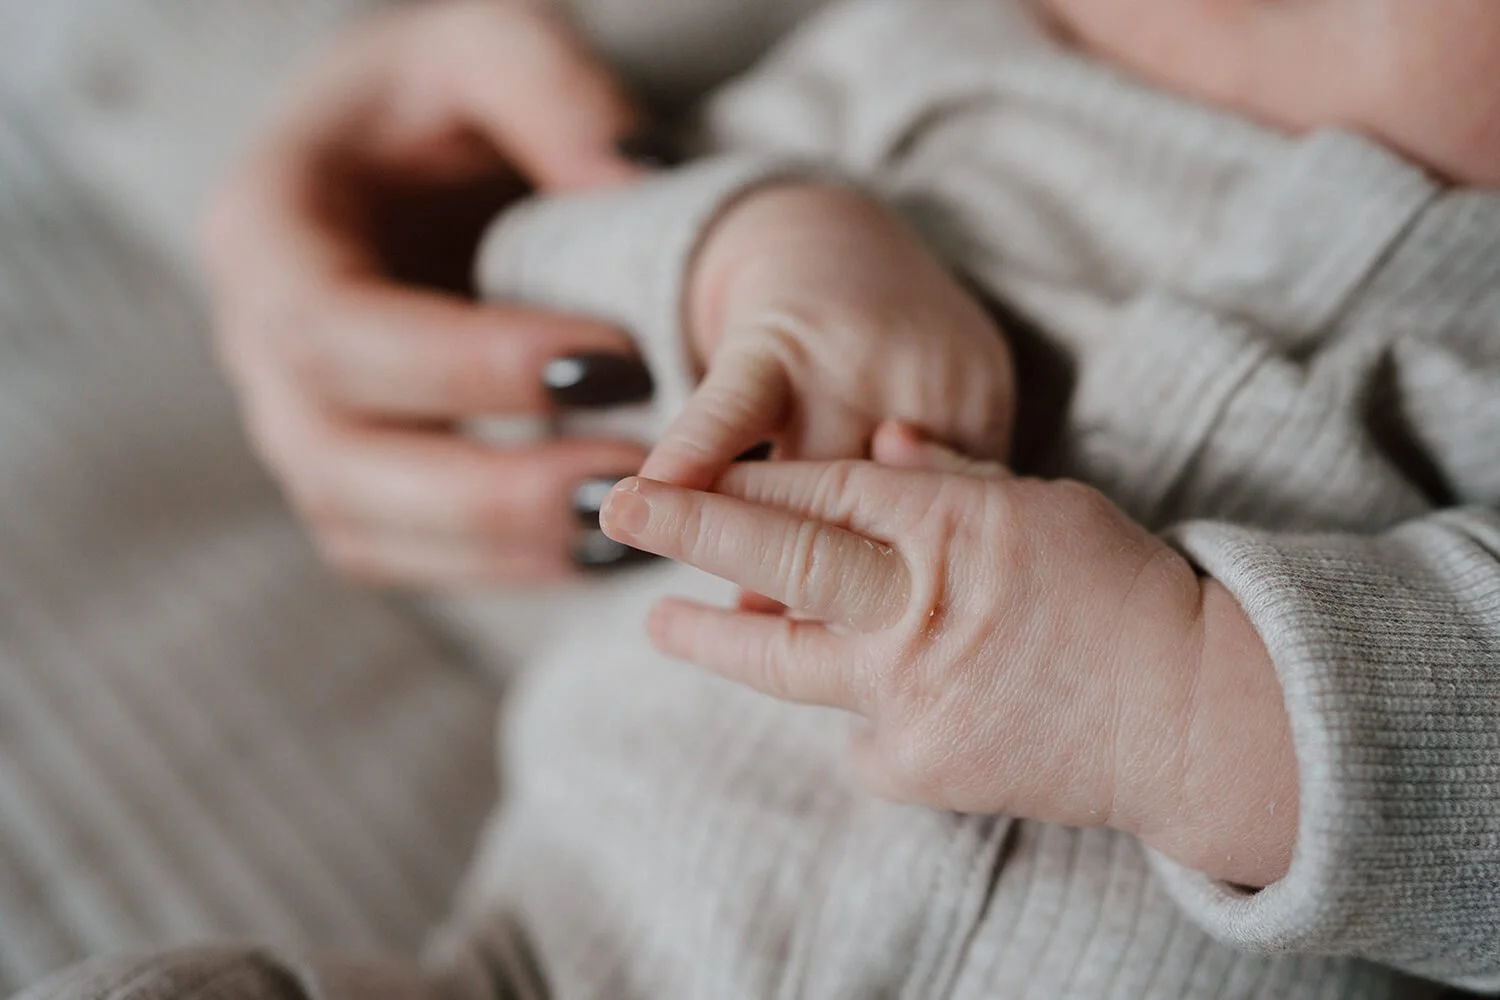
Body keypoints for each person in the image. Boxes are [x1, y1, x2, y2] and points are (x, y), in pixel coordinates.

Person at [18, 0, 1500, 998]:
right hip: (562, 945)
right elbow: (532, 292)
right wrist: (749, 246)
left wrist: (1192, 705)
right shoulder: (916, 67)